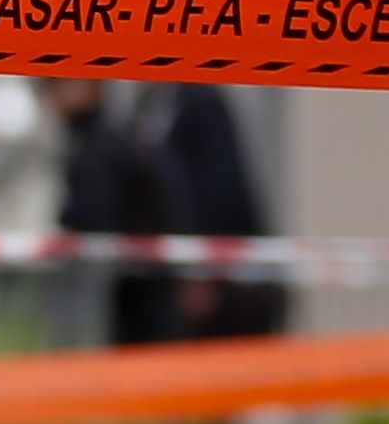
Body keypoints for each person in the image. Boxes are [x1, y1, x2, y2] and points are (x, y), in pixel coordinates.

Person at [49, 76, 184, 346]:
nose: (52, 96)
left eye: (57, 84)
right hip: (141, 290)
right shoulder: (114, 138)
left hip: (135, 295)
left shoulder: (98, 146)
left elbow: (96, 218)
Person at [144, 81, 285, 340]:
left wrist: (202, 271)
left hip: (222, 279)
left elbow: (219, 191)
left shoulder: (201, 102)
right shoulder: (154, 101)